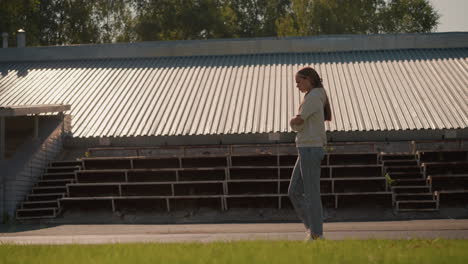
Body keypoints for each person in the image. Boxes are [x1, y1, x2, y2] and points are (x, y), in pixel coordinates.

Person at [288, 67, 331, 241]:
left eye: (299, 81)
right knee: (294, 191)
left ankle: (317, 234)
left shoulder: (313, 97)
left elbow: (298, 121)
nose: (297, 85)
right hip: (306, 148)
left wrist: (292, 122)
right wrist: (297, 124)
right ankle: (312, 229)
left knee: (311, 193)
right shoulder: (312, 96)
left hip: (310, 149)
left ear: (309, 80)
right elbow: (301, 123)